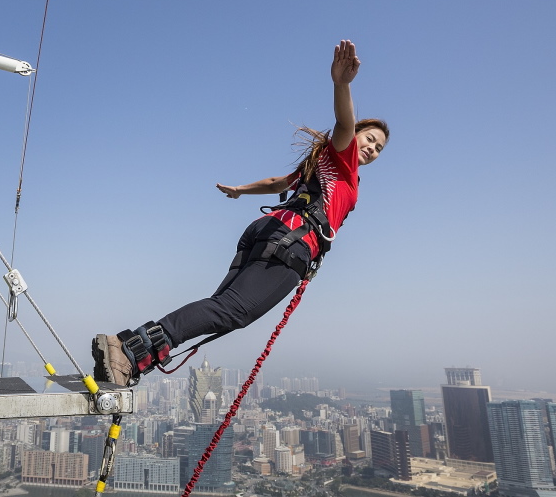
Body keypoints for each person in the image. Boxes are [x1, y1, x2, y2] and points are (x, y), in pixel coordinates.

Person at [92, 39, 388, 387]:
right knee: (233, 311)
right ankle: (128, 350)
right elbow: (343, 123)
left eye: (379, 148)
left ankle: (135, 353)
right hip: (290, 243)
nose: (370, 148)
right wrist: (342, 85)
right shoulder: (344, 163)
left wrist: (241, 190)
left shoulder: (319, 163)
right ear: (356, 136)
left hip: (267, 232)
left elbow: (278, 181)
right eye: (368, 139)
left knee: (221, 306)